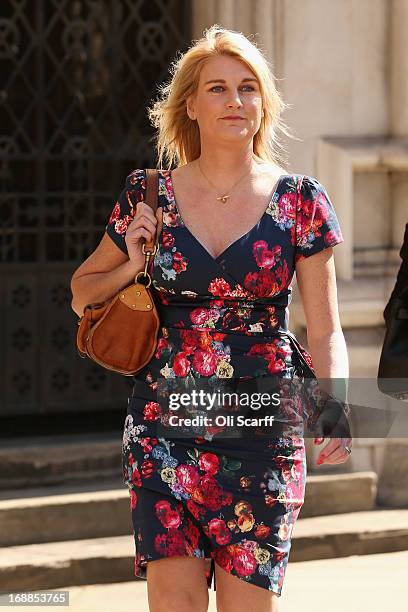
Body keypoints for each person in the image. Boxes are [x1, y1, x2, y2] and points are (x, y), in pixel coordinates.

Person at [71, 25, 352, 612]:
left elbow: (325, 327)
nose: (234, 101)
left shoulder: (302, 201)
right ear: (191, 106)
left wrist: (336, 405)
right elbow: (81, 293)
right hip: (164, 423)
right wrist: (131, 262)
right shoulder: (147, 195)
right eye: (218, 89)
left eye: (248, 88)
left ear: (263, 105)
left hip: (263, 429)